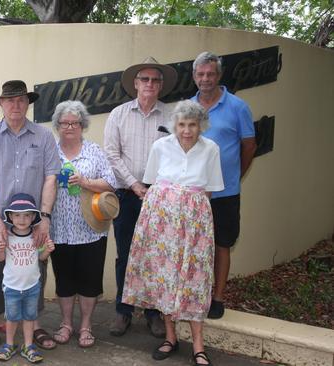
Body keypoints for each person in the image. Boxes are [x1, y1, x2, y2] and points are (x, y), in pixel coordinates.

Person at [122, 100, 224, 366]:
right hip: (162, 219)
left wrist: (191, 214)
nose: (187, 130)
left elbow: (210, 190)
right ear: (174, 125)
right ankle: (170, 338)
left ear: (201, 126)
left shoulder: (211, 149)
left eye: (192, 125)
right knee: (165, 276)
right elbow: (153, 182)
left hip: (195, 221)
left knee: (195, 280)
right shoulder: (160, 146)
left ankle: (198, 347)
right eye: (182, 124)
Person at [0, 80, 60, 353]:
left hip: (33, 223)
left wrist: (43, 218)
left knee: (35, 271)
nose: (16, 105)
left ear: (28, 103)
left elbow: (51, 177)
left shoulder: (43, 137)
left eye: (21, 100)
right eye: (10, 100)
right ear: (1, 104)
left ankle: (33, 324)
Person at [103, 57, 178, 338]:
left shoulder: (171, 117)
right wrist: (134, 185)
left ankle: (152, 313)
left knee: (156, 256)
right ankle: (123, 312)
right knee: (125, 255)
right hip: (126, 193)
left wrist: (157, 188)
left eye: (154, 80)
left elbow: (177, 155)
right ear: (135, 84)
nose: (149, 84)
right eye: (144, 79)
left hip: (161, 195)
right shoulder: (118, 114)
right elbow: (111, 154)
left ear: (161, 85)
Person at [191, 51, 256, 320]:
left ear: (219, 75)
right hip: (193, 193)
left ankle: (217, 298)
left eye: (210, 74)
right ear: (194, 76)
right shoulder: (188, 107)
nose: (205, 79)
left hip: (225, 193)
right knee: (193, 245)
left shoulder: (238, 107)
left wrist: (233, 177)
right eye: (201, 74)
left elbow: (249, 146)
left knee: (222, 244)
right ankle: (195, 294)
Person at [48, 101, 118, 348]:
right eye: (64, 123)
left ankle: (86, 326)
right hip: (59, 229)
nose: (69, 127)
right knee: (64, 280)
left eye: (74, 123)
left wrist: (86, 181)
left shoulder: (95, 151)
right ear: (57, 126)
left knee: (89, 281)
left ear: (82, 125)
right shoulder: (50, 151)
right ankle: (66, 323)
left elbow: (110, 183)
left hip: (90, 229)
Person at [0, 194, 55, 364]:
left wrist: (48, 250)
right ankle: (9, 345)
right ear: (10, 217)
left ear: (34, 217)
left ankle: (28, 346)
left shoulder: (36, 236)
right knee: (12, 318)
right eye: (17, 215)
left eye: (27, 215)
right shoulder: (6, 236)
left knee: (29, 317)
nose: (22, 219)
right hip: (12, 287)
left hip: (32, 287)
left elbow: (41, 258)